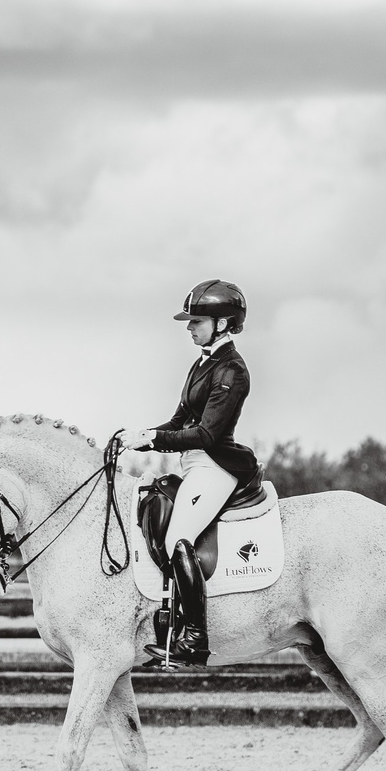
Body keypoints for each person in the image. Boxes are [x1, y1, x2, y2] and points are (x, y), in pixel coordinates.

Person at [128, 279, 260, 668]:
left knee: (178, 538)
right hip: (195, 464)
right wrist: (138, 437)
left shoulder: (231, 370)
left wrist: (153, 439)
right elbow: (178, 420)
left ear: (222, 323)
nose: (189, 327)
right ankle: (168, 623)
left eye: (197, 320)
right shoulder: (202, 362)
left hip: (216, 465)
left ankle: (194, 639)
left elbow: (206, 434)